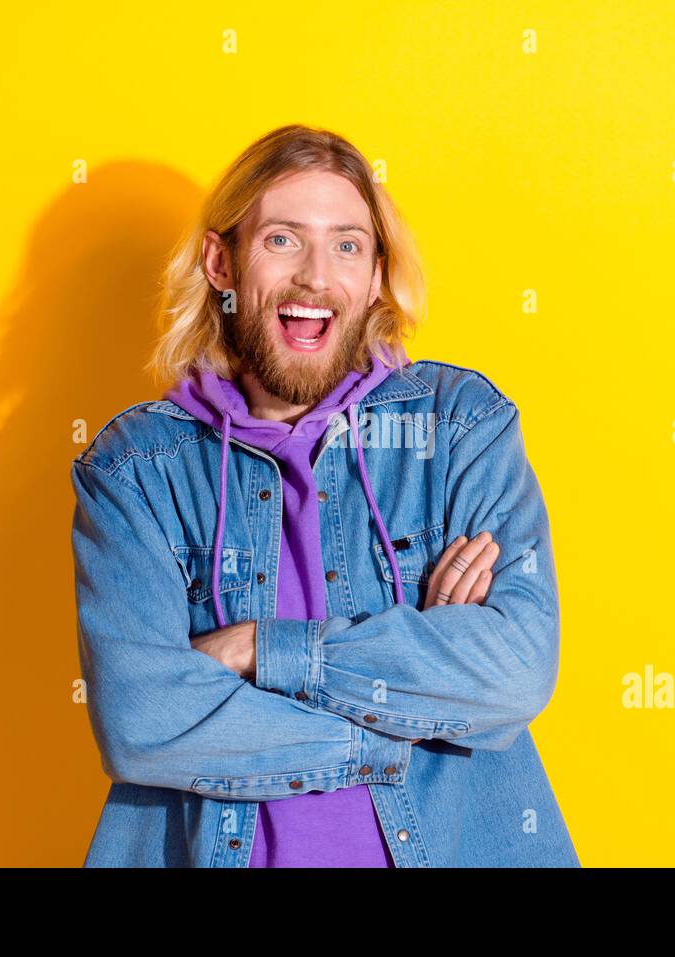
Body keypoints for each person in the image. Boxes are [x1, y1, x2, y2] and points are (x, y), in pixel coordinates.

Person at [70, 124, 578, 867]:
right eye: (282, 239)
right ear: (223, 262)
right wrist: (409, 700)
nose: (315, 275)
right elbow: (142, 716)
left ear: (375, 276)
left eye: (347, 244)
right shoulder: (139, 469)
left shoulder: (459, 425)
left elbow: (516, 668)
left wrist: (258, 649)